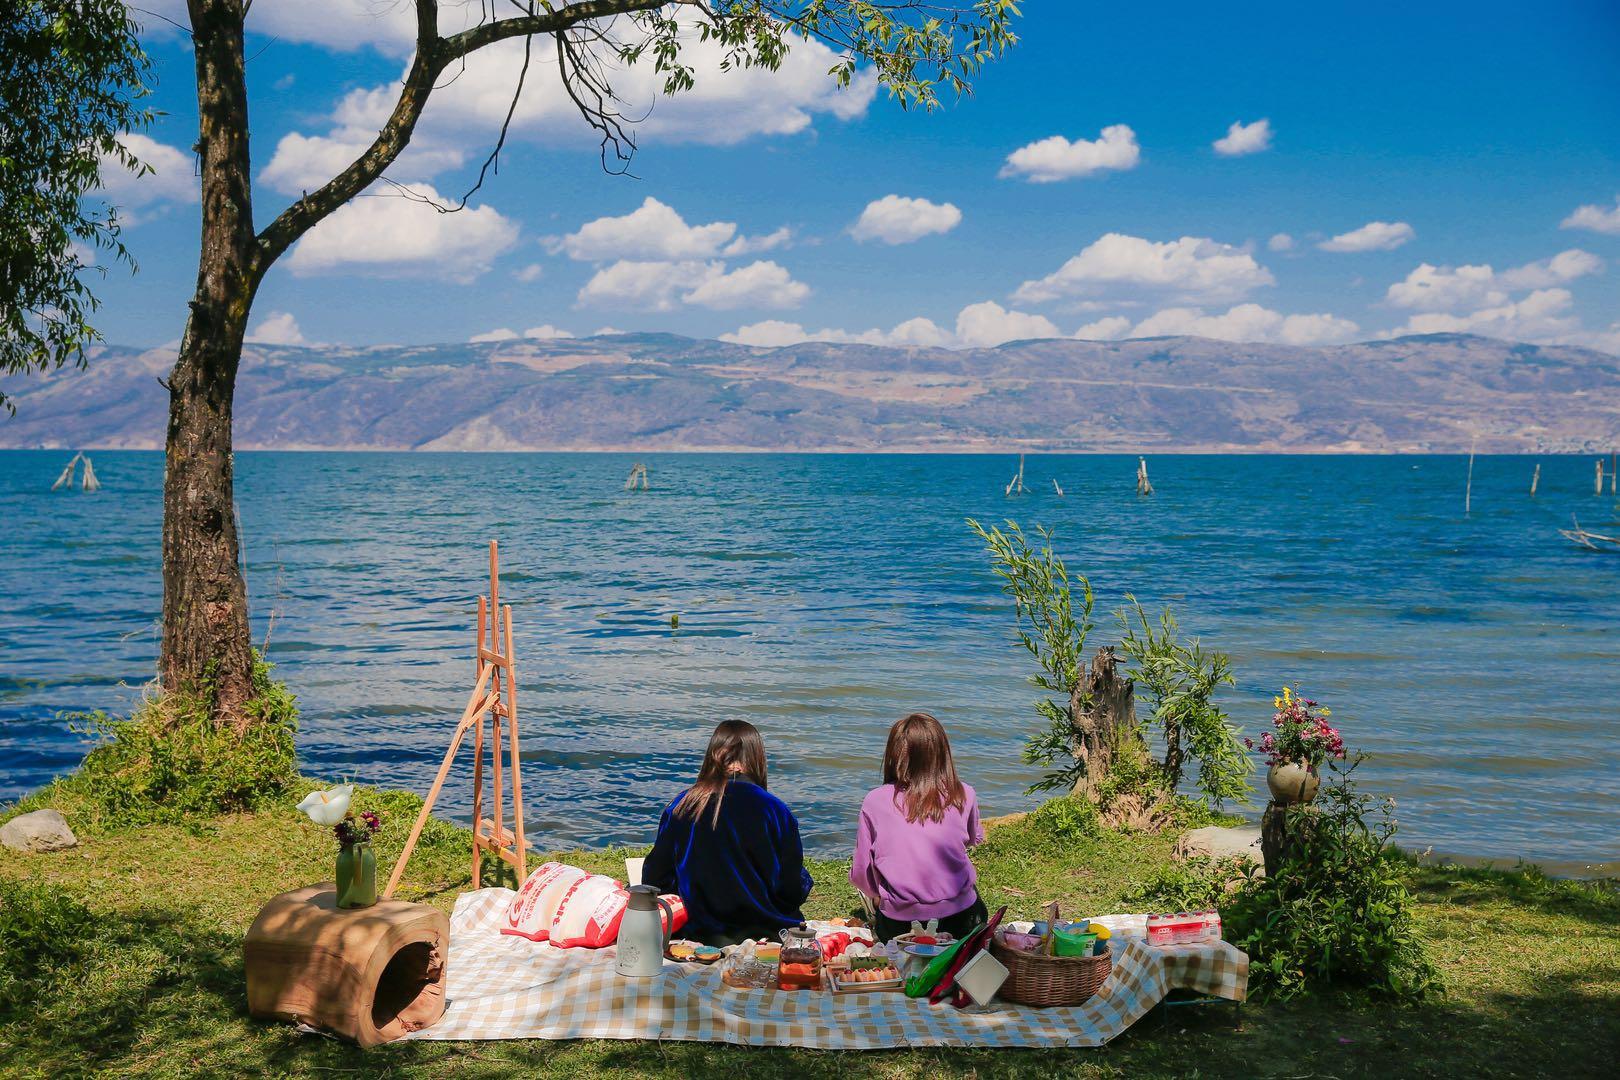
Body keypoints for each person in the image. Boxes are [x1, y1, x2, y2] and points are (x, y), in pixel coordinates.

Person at [643, 719, 813, 946]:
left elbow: (655, 878)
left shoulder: (683, 804)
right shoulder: (775, 809)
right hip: (765, 929)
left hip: (697, 930)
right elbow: (790, 889)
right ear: (757, 757)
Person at [851, 712, 987, 943]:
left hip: (901, 923)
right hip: (962, 916)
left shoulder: (875, 801)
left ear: (893, 755)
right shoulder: (964, 793)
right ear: (942, 753)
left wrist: (877, 896)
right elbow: (972, 839)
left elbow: (862, 871)